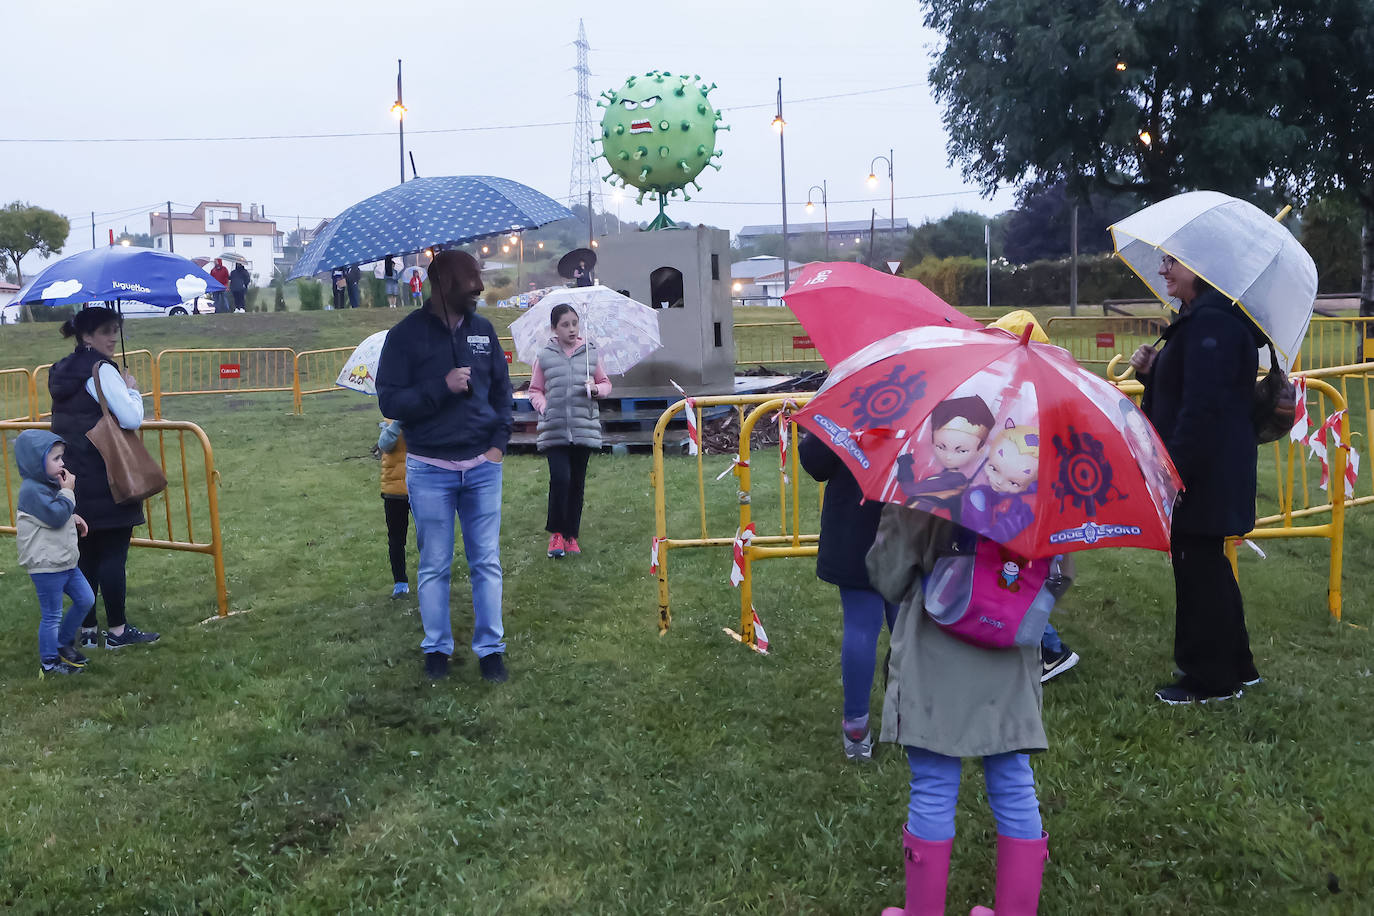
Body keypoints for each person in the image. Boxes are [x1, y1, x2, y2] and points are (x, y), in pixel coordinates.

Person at [869, 507, 1056, 915]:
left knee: (934, 784)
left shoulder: (924, 489)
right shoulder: (1041, 495)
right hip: (1009, 661)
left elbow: (887, 576)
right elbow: (1060, 577)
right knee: (1012, 780)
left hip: (932, 663)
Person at [1131, 253, 1262, 705]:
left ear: (1203, 268)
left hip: (1202, 473)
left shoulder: (1214, 327)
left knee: (1198, 571)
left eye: (1172, 261)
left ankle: (1210, 679)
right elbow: (1185, 393)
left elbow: (1202, 410)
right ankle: (1237, 666)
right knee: (1209, 566)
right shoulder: (1201, 321)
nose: (1163, 269)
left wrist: (1174, 473)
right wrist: (1153, 374)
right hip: (1209, 469)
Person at [376, 250, 513, 683]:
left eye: (479, 276)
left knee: (486, 562)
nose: (478, 286)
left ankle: (491, 649)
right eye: (470, 278)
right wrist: (442, 386)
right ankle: (436, 648)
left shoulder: (483, 331)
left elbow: (502, 395)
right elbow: (391, 401)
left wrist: (497, 446)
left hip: (482, 467)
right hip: (429, 468)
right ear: (442, 283)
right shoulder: (405, 337)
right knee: (434, 563)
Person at [48, 306, 161, 650]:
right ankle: (117, 631)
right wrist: (132, 390)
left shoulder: (60, 370)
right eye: (105, 331)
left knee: (86, 555)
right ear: (86, 335)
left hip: (73, 476)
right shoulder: (101, 369)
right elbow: (130, 419)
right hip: (108, 474)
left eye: (115, 330)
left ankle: (87, 630)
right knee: (113, 554)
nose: (112, 337)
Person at [799, 431, 896, 762]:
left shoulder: (850, 397)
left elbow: (815, 461)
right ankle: (914, 718)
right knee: (910, 632)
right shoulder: (929, 388)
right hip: (908, 527)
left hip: (857, 531)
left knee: (861, 627)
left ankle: (857, 727)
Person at [527, 304, 611, 558]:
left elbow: (606, 384)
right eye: (565, 324)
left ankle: (571, 535)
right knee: (560, 479)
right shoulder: (544, 356)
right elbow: (534, 390)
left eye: (575, 323)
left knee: (576, 484)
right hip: (554, 430)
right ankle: (556, 534)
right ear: (555, 328)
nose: (572, 329)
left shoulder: (590, 354)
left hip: (583, 429)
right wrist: (543, 406)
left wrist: (596, 390)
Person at [14, 430, 94, 677]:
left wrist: (73, 516)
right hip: (46, 565)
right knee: (51, 615)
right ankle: (49, 663)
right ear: (36, 462)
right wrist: (68, 492)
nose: (62, 463)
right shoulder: (31, 490)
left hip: (64, 560)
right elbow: (55, 515)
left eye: (62, 457)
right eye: (56, 459)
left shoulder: (47, 485)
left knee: (86, 599)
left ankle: (62, 642)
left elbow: (57, 514)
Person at [376, 418, 411, 598]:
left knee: (430, 536)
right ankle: (400, 582)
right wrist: (397, 423)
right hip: (395, 490)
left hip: (424, 486)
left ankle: (433, 578)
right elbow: (384, 445)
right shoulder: (391, 420)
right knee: (396, 538)